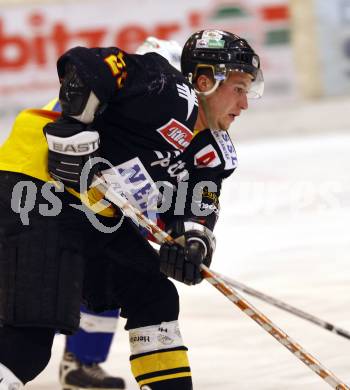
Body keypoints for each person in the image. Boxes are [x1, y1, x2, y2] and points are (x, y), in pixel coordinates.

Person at [0, 29, 263, 390]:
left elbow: (196, 209)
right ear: (205, 81)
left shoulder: (212, 154)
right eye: (239, 88)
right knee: (27, 343)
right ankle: (76, 358)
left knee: (153, 295)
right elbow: (89, 64)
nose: (245, 104)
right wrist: (71, 127)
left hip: (94, 215)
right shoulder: (169, 91)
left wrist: (191, 245)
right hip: (37, 191)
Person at [58, 36, 183, 390]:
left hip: (86, 205)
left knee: (111, 278)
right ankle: (75, 360)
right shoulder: (124, 103)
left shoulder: (123, 100)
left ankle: (79, 361)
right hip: (57, 205)